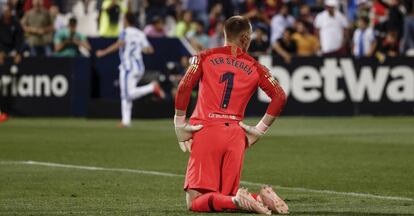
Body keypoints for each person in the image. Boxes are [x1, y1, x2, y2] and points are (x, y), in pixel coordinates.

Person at [173, 16, 289, 215]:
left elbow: (184, 87)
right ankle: (259, 199)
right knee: (224, 196)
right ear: (244, 38)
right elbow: (279, 96)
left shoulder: (204, 56)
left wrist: (179, 123)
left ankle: (241, 200)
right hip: (236, 135)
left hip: (206, 130)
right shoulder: (255, 67)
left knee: (195, 201)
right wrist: (258, 131)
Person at [96, 13, 165, 127]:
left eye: (123, 19)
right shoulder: (140, 33)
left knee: (127, 94)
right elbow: (150, 50)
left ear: (127, 20)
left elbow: (120, 43)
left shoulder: (125, 31)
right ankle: (126, 121)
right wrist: (141, 48)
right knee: (127, 93)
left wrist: (104, 52)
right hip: (139, 67)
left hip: (128, 66)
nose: (122, 21)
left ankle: (152, 87)